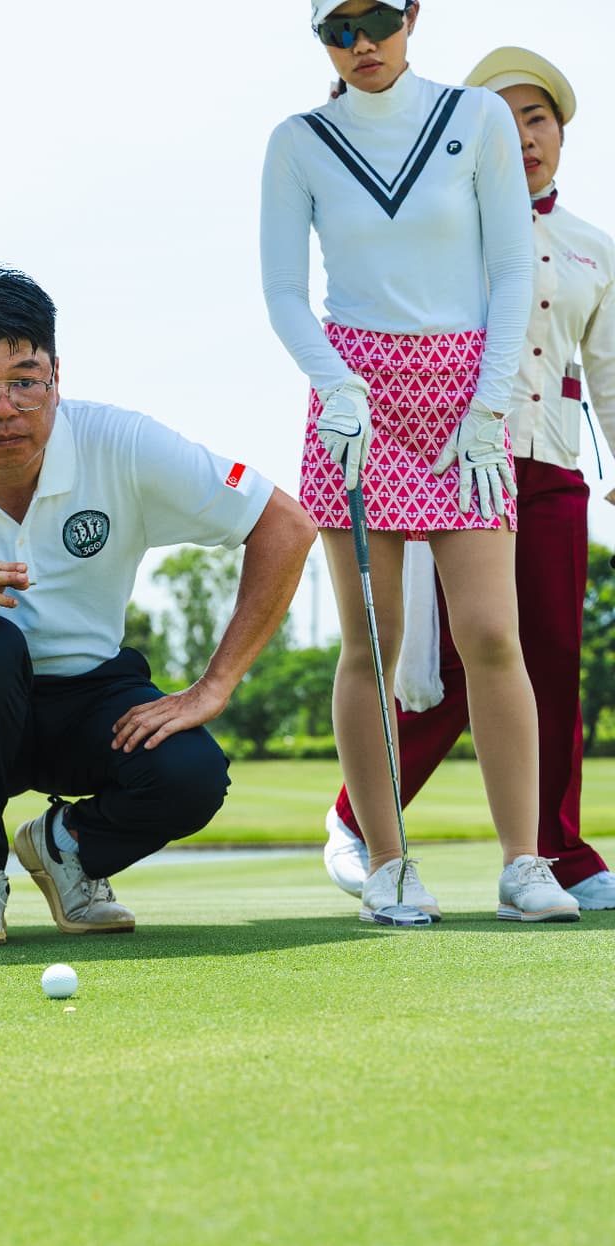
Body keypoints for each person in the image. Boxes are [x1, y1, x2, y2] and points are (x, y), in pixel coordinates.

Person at [0, 266, 315, 947]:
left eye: (25, 381)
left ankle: (66, 850)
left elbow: (286, 525)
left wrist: (215, 685)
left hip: (92, 696)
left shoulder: (120, 443)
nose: (3, 408)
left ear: (57, 378)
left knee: (194, 774)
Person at [261, 0, 579, 922]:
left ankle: (525, 864)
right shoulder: (299, 142)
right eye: (337, 29)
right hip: (352, 398)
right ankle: (389, 865)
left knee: (490, 633)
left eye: (377, 20)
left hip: (463, 395)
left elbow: (513, 269)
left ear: (412, 17)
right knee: (374, 639)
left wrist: (488, 408)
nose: (361, 44)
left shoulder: (473, 117)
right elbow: (284, 290)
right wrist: (337, 384)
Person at [324, 46, 615, 912]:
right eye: (505, 118)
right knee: (459, 660)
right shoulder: (443, 226)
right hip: (448, 465)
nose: (524, 136)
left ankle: (556, 853)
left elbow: (608, 373)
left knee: (554, 657)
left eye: (539, 118)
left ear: (561, 132)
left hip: (552, 465)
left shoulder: (595, 248)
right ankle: (358, 818)